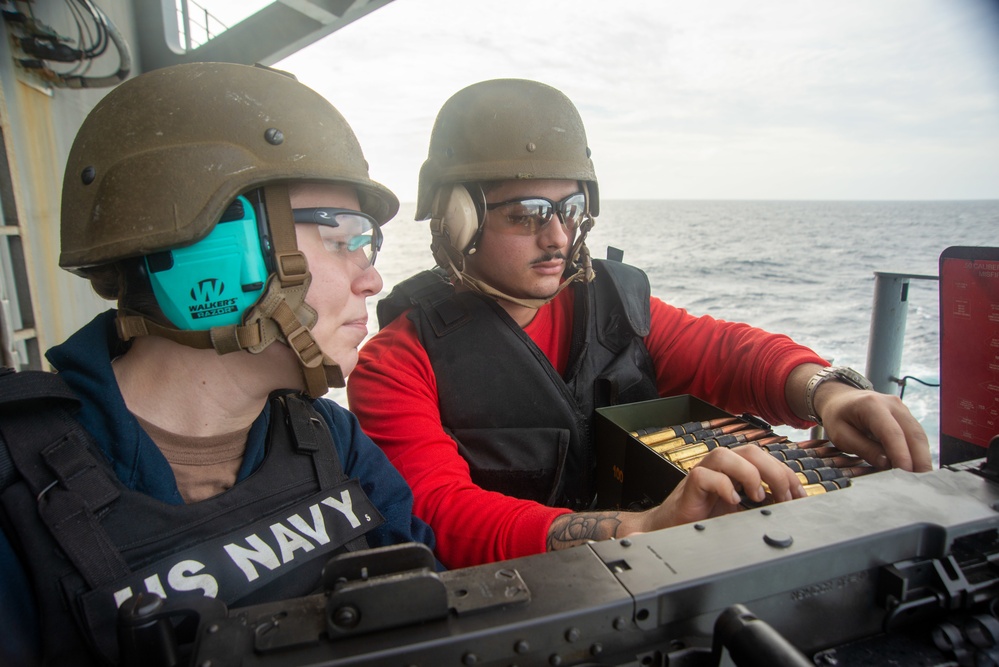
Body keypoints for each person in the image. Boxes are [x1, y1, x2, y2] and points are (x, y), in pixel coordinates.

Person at [346, 78, 931, 570]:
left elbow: (722, 351)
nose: (557, 238)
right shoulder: (396, 362)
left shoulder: (612, 304)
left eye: (570, 210)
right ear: (457, 220)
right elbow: (437, 512)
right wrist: (640, 528)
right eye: (525, 214)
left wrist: (825, 392)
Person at [0, 62, 434, 667]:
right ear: (210, 254)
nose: (373, 279)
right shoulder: (14, 490)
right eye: (343, 239)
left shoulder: (331, 440)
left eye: (369, 244)